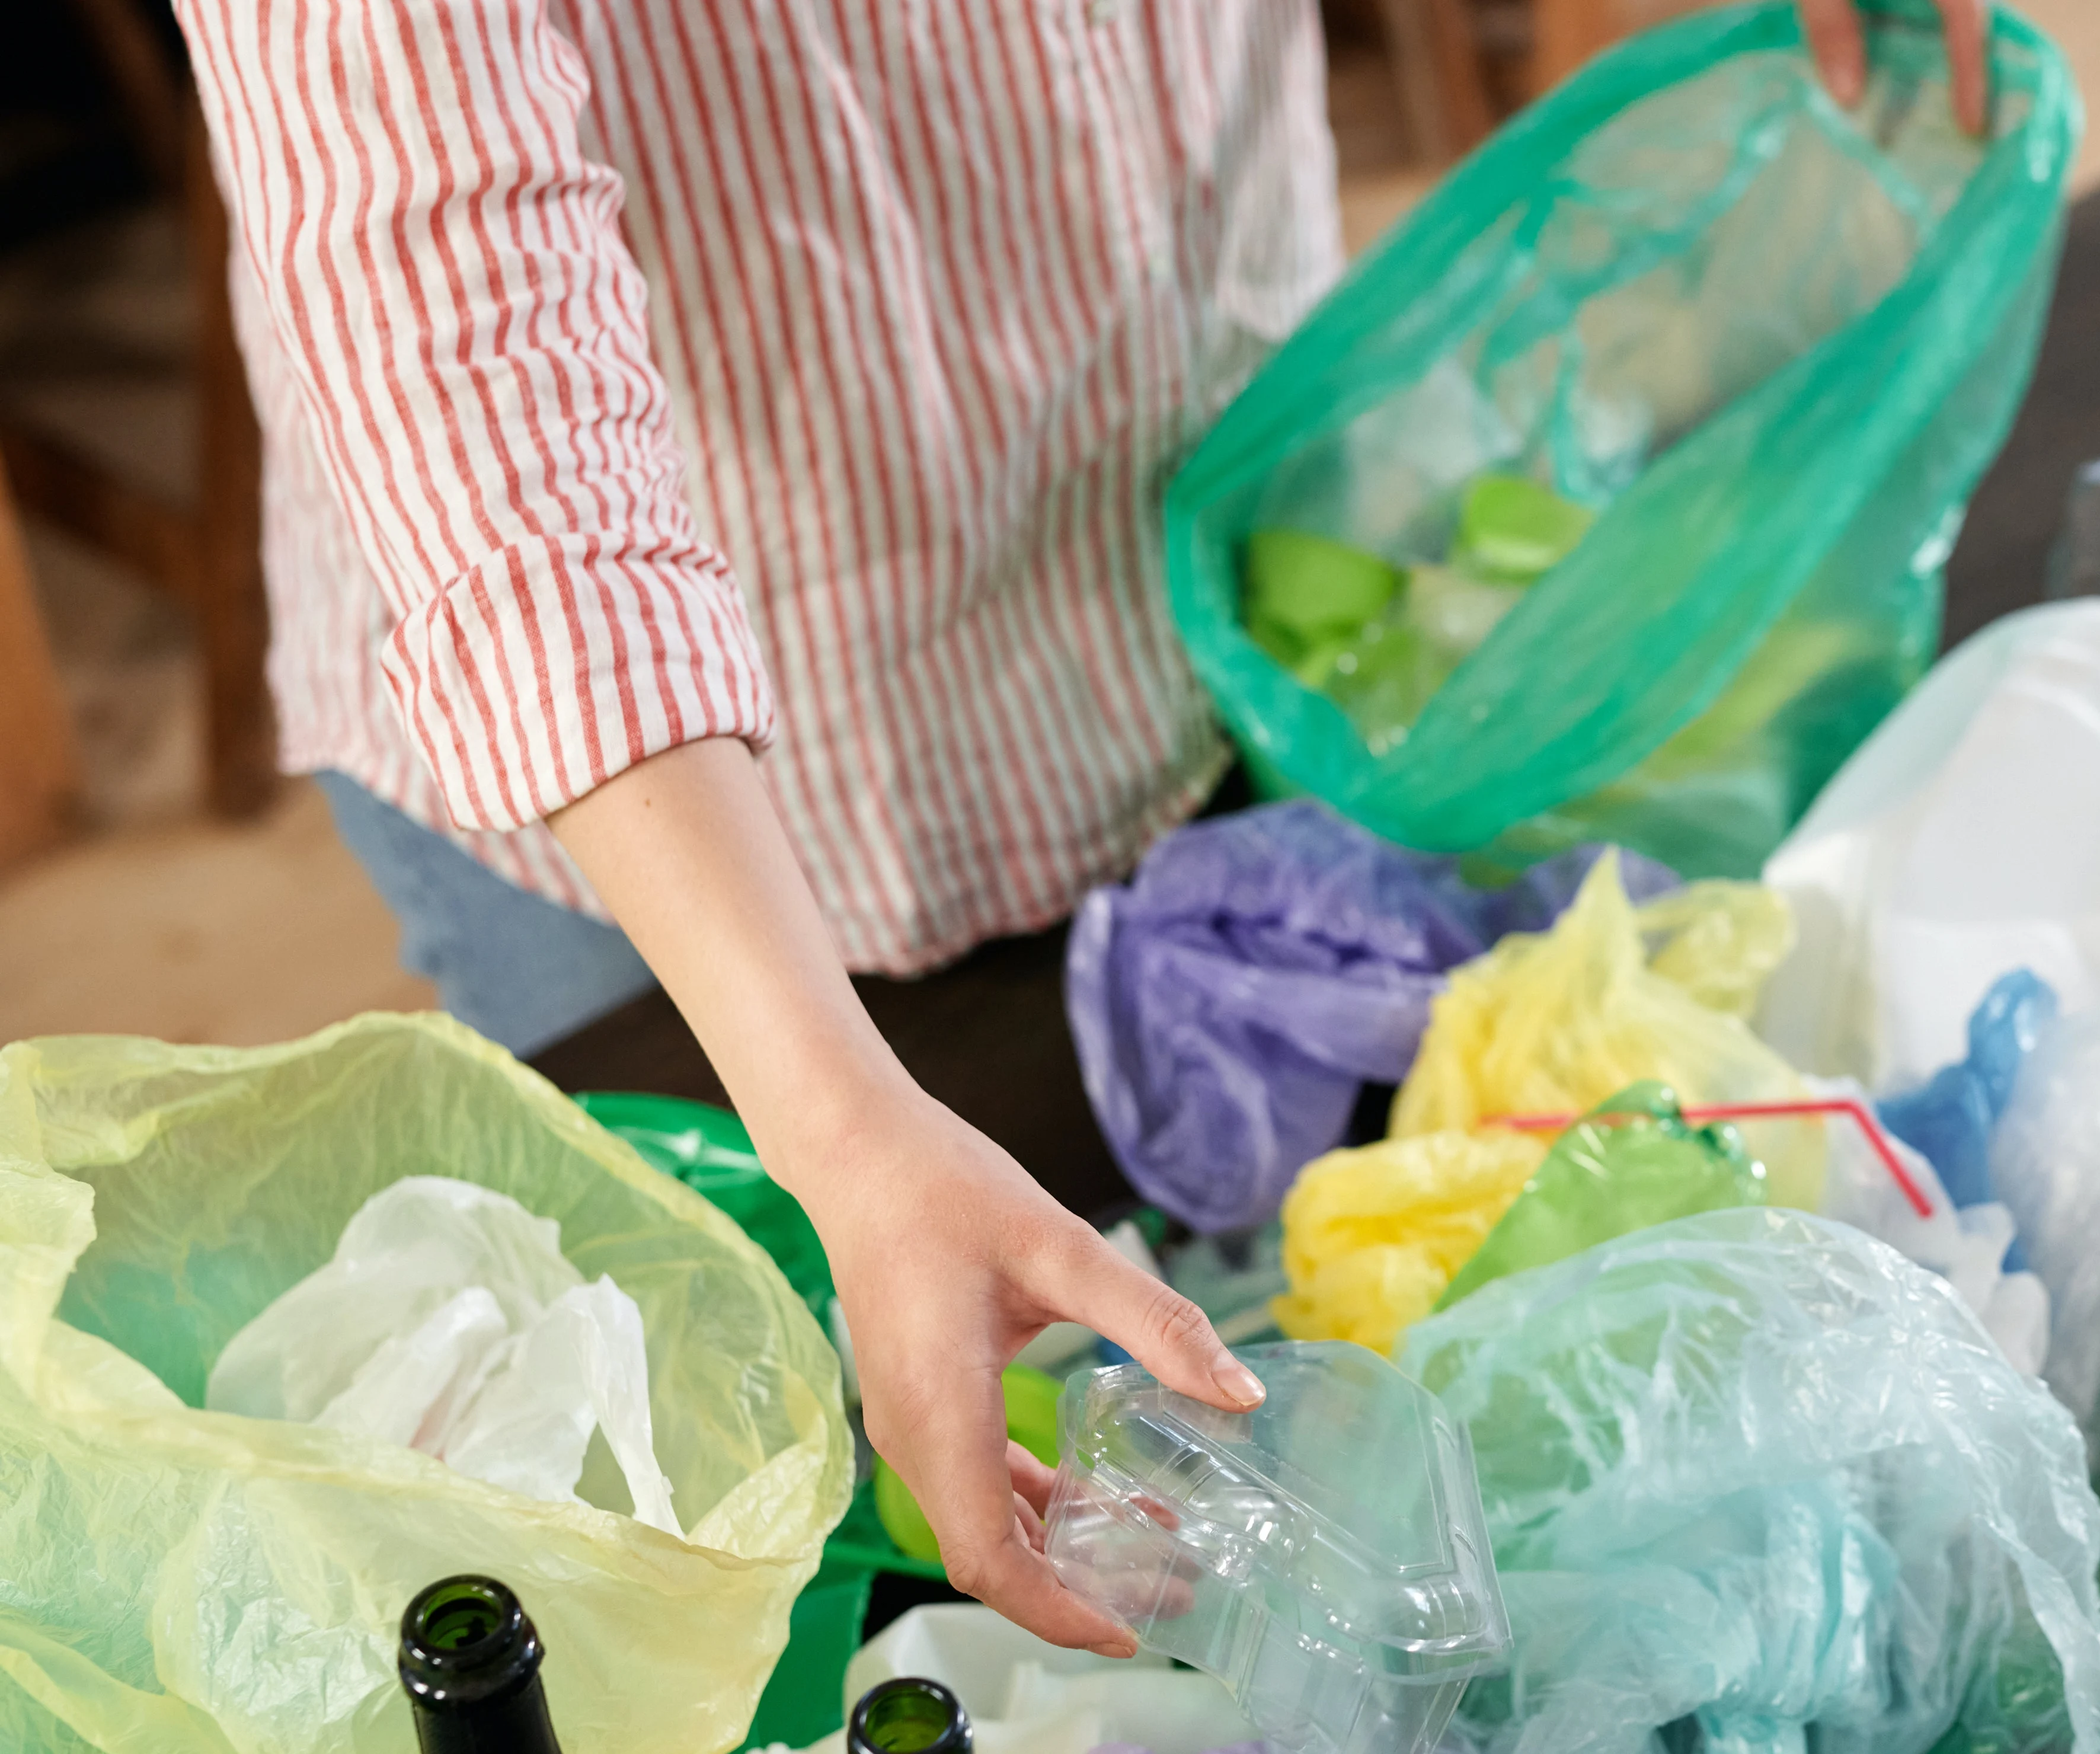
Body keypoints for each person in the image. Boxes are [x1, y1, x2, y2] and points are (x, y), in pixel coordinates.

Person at [172, 0, 1990, 1655]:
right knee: (734, 1417)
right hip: (669, 791)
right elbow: (456, 313)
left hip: (1186, 495)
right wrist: (841, 1122)